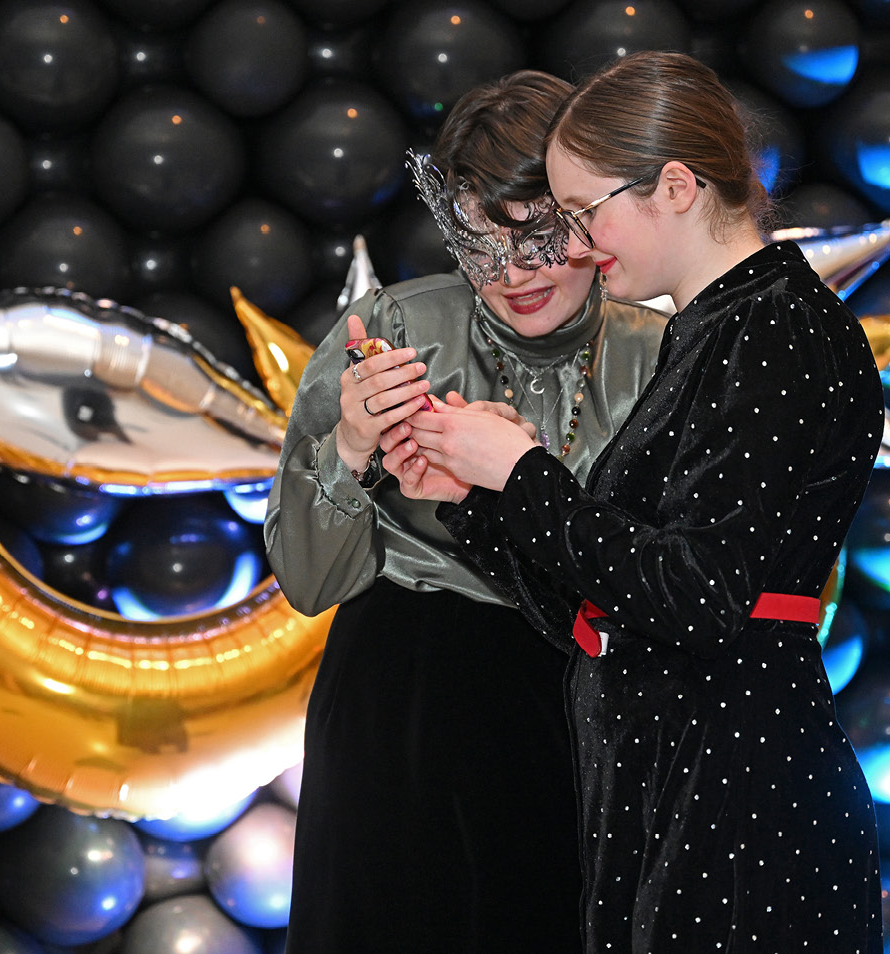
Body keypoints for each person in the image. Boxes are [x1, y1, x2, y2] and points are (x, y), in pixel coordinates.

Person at [385, 51, 886, 953]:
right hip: (676, 782)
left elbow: (694, 594)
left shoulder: (773, 327)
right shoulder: (720, 327)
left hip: (737, 800)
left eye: (583, 213)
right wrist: (475, 498)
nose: (573, 244)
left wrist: (524, 473)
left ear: (677, 186)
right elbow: (608, 611)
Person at [263, 69, 669, 954]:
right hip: (402, 703)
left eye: (540, 237)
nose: (513, 274)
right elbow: (304, 581)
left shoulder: (662, 356)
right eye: (480, 242)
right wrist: (351, 451)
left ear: (591, 216)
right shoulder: (391, 333)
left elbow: (686, 584)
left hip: (587, 702)